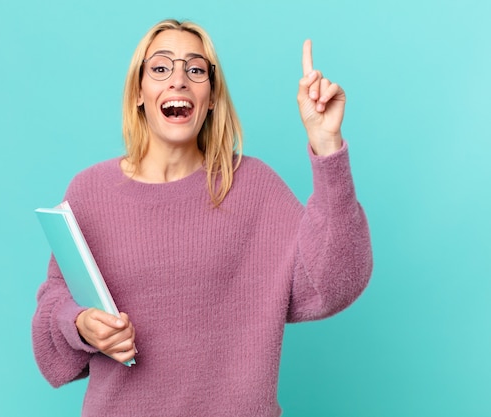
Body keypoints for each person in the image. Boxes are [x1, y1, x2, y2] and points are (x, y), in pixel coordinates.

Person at [32, 19, 372, 417]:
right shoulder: (89, 191)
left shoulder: (254, 187)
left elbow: (336, 281)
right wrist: (80, 324)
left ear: (211, 97)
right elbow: (51, 314)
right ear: (139, 93)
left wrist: (327, 146)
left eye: (195, 69)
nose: (178, 80)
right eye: (160, 68)